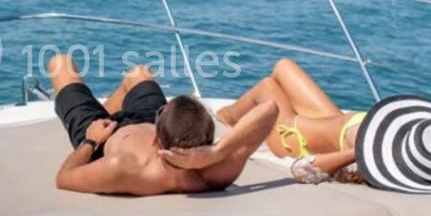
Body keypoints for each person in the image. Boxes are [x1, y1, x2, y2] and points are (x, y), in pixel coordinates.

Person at [218, 58, 431, 184]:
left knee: (268, 89)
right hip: (334, 119)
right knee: (283, 66)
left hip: (294, 137)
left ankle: (227, 117)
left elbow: (304, 169)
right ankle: (229, 114)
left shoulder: (367, 157)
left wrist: (359, 152)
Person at [48, 53, 277, 196]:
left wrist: (91, 139)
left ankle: (101, 114)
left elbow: (65, 177)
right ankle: (110, 106)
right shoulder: (212, 173)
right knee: (140, 73)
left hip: (102, 136)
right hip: (146, 118)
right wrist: (217, 152)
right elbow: (270, 110)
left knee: (61, 63)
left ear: (156, 140)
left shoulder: (124, 166)